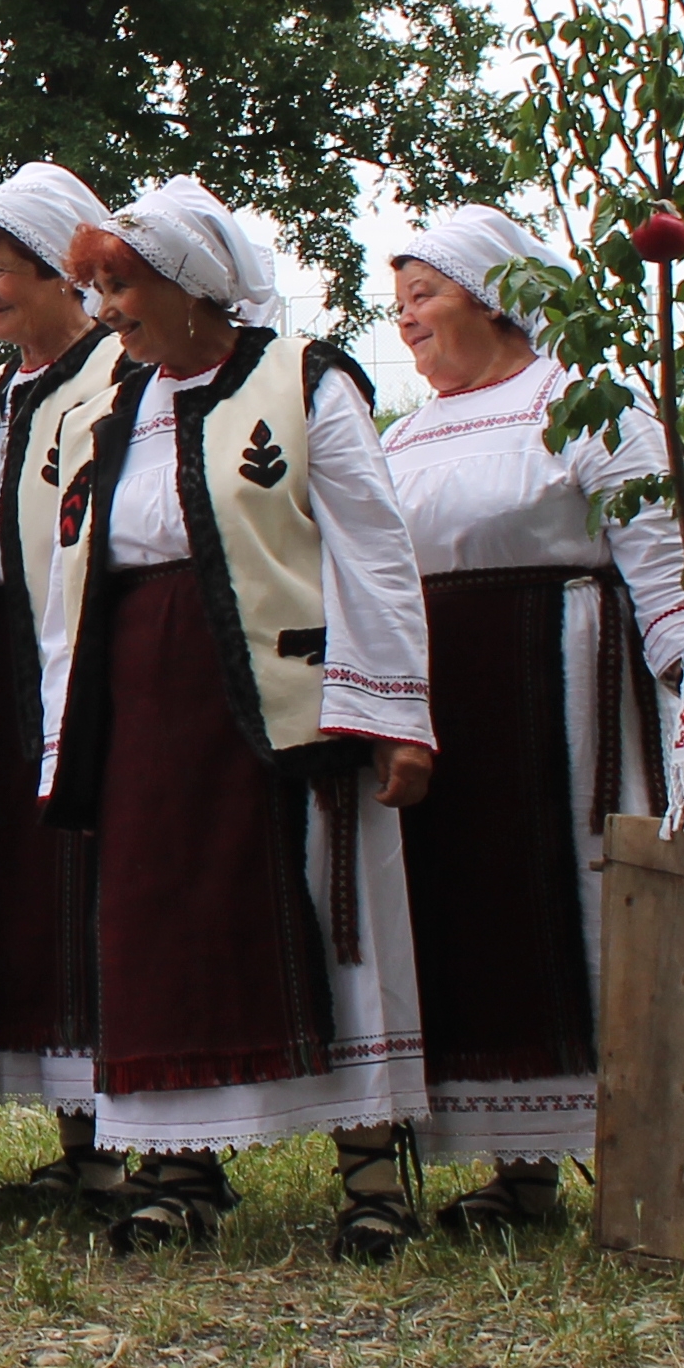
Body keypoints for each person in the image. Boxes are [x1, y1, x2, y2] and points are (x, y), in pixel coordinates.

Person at [40, 180, 434, 1260]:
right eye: (100, 286)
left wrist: (396, 711)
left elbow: (372, 549)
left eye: (124, 284)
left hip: (282, 700)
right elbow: (72, 569)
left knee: (325, 910)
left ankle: (369, 1174)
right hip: (145, 702)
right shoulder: (112, 407)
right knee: (161, 923)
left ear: (194, 286)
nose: (108, 308)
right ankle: (179, 1170)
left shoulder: (305, 381)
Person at [379, 208, 684, 1233]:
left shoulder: (590, 405)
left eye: (423, 296)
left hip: (559, 698)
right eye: (398, 308)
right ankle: (515, 1172)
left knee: (571, 904)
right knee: (466, 916)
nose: (407, 323)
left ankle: (632, 1149)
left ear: (493, 294)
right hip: (445, 711)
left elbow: (660, 565)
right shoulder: (405, 433)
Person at [0, 165, 125, 1205]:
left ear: (68, 274)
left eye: (3, 271)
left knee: (99, 896)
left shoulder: (114, 374)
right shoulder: (3, 390)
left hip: (89, 658)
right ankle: (78, 1140)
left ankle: (134, 1133)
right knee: (31, 900)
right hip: (14, 664)